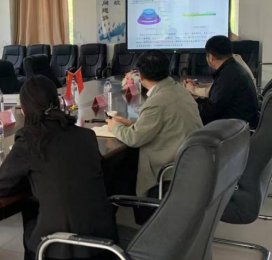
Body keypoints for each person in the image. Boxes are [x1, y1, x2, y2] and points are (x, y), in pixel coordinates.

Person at [0, 76, 117, 260]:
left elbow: (0, 186)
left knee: (31, 213)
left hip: (64, 247)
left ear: (24, 109)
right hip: (105, 240)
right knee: (46, 207)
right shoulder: (86, 135)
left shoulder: (29, 139)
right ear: (58, 102)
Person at [107, 50, 202, 200]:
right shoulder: (178, 88)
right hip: (189, 164)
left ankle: (123, 202)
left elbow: (134, 139)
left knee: (118, 168)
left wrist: (115, 126)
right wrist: (131, 123)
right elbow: (162, 121)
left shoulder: (156, 102)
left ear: (141, 76)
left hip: (168, 171)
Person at [194, 35, 260, 128]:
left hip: (235, 129)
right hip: (241, 125)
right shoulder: (233, 69)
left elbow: (209, 113)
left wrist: (190, 105)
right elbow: (216, 102)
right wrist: (197, 100)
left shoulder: (228, 75)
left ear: (211, 57)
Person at [183, 54, 255, 98]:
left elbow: (213, 92)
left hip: (238, 116)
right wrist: (198, 85)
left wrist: (192, 89)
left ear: (211, 57)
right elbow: (218, 86)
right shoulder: (234, 61)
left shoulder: (230, 69)